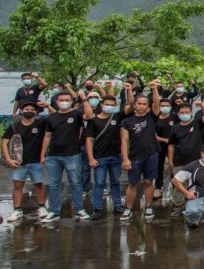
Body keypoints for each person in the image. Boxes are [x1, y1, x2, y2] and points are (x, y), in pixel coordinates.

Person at [39, 90, 94, 222]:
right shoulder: (52, 117)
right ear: (57, 102)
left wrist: (84, 99)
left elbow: (90, 116)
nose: (64, 102)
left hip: (72, 155)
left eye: (67, 100)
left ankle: (79, 209)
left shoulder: (76, 114)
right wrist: (42, 155)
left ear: (71, 101)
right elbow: (47, 136)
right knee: (53, 185)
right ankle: (54, 211)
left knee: (75, 183)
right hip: (53, 156)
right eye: (61, 100)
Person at [119, 83, 162, 221]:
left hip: (152, 154)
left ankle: (148, 207)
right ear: (135, 105)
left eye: (144, 104)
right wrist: (125, 159)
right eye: (139, 103)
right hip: (135, 156)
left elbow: (156, 101)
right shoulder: (127, 122)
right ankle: (128, 208)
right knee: (133, 183)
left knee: (149, 182)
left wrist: (154, 88)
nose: (142, 106)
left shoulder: (152, 117)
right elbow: (124, 141)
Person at [2, 101, 48, 222]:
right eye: (26, 109)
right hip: (18, 162)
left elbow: (56, 118)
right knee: (18, 186)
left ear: (36, 112)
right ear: (21, 111)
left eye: (32, 109)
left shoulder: (41, 124)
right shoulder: (14, 126)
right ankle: (17, 210)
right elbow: (5, 142)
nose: (29, 111)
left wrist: (48, 106)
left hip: (36, 161)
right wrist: (8, 159)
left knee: (39, 184)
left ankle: (42, 207)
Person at [85, 94, 128, 219]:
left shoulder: (117, 117)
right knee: (99, 183)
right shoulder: (93, 121)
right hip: (99, 157)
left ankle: (118, 205)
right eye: (107, 104)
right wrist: (91, 158)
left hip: (116, 156)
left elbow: (130, 105)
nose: (109, 107)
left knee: (115, 182)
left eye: (112, 105)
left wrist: (129, 90)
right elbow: (89, 140)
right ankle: (97, 208)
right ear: (101, 105)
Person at [167, 101, 204, 216]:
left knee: (199, 185)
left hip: (196, 161)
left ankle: (198, 207)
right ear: (178, 114)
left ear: (191, 112)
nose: (184, 114)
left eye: (187, 112)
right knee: (179, 185)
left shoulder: (197, 123)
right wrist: (171, 161)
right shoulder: (175, 128)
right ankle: (178, 207)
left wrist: (202, 106)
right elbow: (171, 145)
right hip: (179, 161)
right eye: (182, 112)